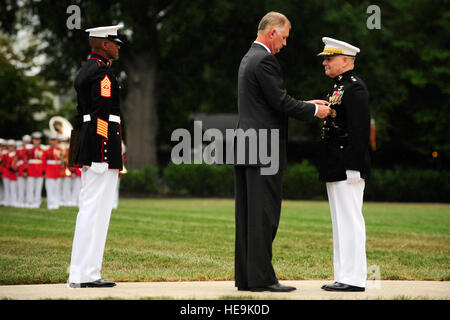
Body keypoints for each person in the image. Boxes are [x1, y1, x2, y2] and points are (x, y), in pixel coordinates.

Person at [234, 12, 330, 292]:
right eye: (284, 37)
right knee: (264, 215)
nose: (285, 44)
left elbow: (269, 101)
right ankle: (262, 279)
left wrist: (303, 102)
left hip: (248, 145)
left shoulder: (248, 57)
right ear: (272, 32)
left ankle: (247, 278)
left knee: (248, 216)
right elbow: (280, 102)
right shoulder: (265, 60)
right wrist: (314, 110)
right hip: (265, 149)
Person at [68, 24, 124, 288]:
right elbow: (102, 116)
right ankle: (84, 274)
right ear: (103, 43)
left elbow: (81, 117)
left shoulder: (86, 70)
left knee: (93, 210)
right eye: (115, 42)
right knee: (94, 211)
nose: (118, 46)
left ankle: (86, 272)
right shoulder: (101, 72)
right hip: (100, 148)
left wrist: (79, 152)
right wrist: (103, 154)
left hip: (88, 145)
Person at [317, 37, 370, 292]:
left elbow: (359, 133)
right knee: (340, 222)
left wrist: (353, 167)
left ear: (346, 60)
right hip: (335, 163)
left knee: (350, 220)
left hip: (348, 164)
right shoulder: (340, 87)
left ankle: (354, 279)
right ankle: (343, 275)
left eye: (330, 58)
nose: (325, 62)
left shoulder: (355, 88)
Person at [26, 131, 45, 208]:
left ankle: (37, 203)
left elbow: (44, 161)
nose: (36, 141)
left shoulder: (43, 149)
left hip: (39, 171)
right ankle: (30, 202)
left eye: (38, 139)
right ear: (33, 140)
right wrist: (25, 169)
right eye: (35, 139)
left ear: (40, 140)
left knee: (38, 187)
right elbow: (25, 159)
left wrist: (43, 170)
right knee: (30, 187)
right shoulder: (29, 149)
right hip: (31, 170)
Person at [44, 133, 62, 210]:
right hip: (49, 171)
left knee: (57, 189)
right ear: (49, 141)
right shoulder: (47, 150)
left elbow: (63, 161)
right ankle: (50, 204)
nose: (53, 142)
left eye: (55, 140)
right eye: (52, 140)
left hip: (58, 171)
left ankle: (56, 203)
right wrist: (44, 172)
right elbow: (44, 162)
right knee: (50, 189)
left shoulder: (61, 150)